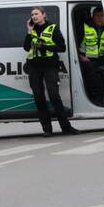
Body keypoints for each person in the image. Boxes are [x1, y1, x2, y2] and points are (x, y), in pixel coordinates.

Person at [23, 7, 79, 137]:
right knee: (39, 97)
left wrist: (45, 46)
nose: (34, 16)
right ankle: (47, 129)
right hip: (34, 67)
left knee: (54, 96)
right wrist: (29, 32)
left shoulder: (53, 28)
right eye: (32, 14)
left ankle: (66, 127)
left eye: (36, 14)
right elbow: (26, 47)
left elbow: (62, 47)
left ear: (43, 15)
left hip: (49, 66)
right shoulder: (32, 30)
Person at [78, 7, 104, 104]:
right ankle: (97, 101)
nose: (100, 18)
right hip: (87, 60)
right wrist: (81, 56)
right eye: (97, 15)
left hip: (103, 60)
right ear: (92, 16)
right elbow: (73, 43)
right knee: (96, 82)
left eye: (102, 16)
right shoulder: (84, 27)